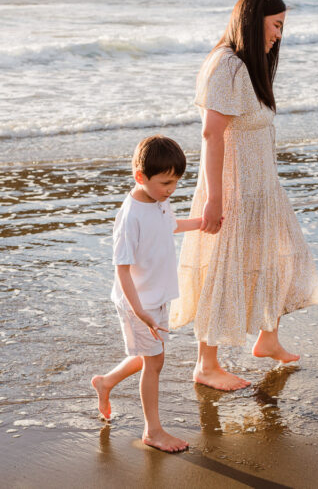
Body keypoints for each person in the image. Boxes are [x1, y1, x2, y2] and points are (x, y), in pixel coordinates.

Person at [171, 0, 318, 391]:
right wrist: (216, 199)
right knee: (223, 269)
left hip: (263, 189)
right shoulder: (226, 66)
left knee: (277, 258)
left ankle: (268, 339)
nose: (278, 35)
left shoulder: (248, 67)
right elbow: (211, 134)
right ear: (255, 22)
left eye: (282, 27)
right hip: (234, 190)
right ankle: (206, 364)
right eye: (275, 26)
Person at [90, 135, 207, 453]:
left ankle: (106, 382)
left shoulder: (158, 201)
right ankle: (152, 431)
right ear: (140, 177)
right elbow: (122, 269)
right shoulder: (130, 216)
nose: (171, 189)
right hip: (138, 302)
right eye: (166, 182)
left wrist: (201, 223)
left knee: (149, 356)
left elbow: (169, 227)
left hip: (156, 296)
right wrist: (139, 311)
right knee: (154, 362)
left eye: (176, 182)